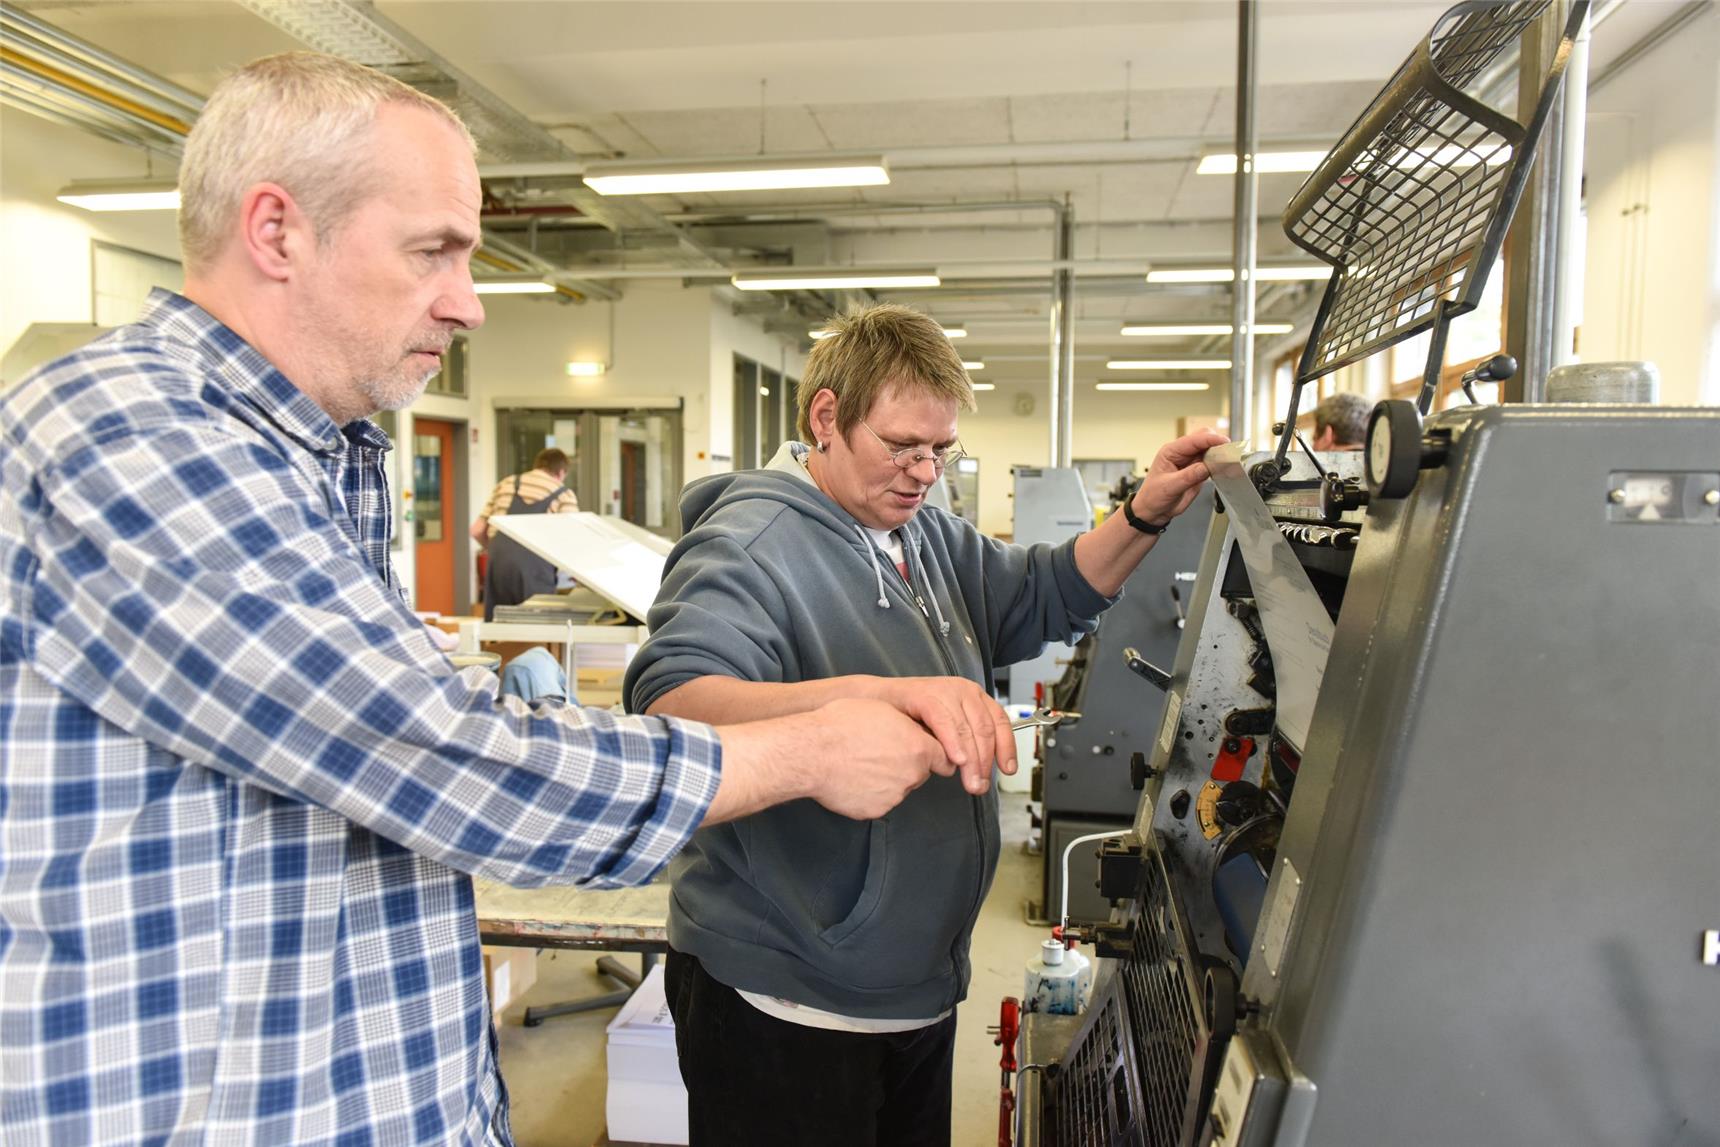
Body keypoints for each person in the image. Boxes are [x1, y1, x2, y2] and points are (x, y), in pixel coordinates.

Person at [0, 54, 956, 1147]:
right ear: (276, 232)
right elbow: (445, 758)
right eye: (434, 251)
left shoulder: (315, 458)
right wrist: (808, 750)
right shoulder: (139, 440)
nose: (469, 301)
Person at [624, 304, 1226, 1147]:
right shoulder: (749, 543)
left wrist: (1146, 515)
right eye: (903, 446)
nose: (924, 473)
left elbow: (1044, 591)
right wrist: (867, 701)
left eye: (942, 450)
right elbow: (674, 703)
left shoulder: (920, 532)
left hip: (913, 987)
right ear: (826, 417)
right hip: (790, 1003)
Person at [471, 447, 579, 620]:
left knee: (498, 624)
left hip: (499, 564)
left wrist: (496, 550)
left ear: (537, 466)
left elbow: (476, 530)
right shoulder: (564, 494)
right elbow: (572, 541)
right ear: (561, 473)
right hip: (536, 568)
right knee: (534, 626)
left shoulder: (506, 484)